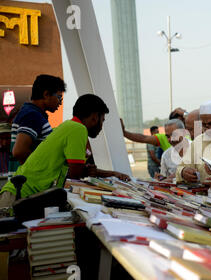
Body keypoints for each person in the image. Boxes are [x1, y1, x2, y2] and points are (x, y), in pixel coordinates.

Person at [0, 94, 130, 208]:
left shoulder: (67, 126)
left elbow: (78, 170)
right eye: (102, 121)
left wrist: (112, 173)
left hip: (21, 195)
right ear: (95, 117)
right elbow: (76, 174)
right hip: (18, 197)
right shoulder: (78, 129)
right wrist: (96, 172)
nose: (101, 126)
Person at [9, 75, 66, 173]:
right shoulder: (32, 115)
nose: (60, 103)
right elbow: (19, 151)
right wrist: (43, 169)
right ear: (46, 94)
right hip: (26, 183)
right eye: (59, 97)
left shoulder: (33, 114)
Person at [176, 101, 211, 184]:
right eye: (204, 124)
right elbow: (181, 168)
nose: (207, 128)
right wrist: (184, 172)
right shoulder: (198, 141)